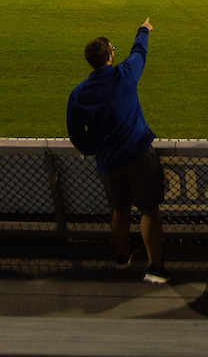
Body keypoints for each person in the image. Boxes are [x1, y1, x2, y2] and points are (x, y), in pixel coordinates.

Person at [66, 18, 169, 284]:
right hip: (138, 155)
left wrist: (96, 149)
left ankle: (122, 256)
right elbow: (139, 52)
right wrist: (143, 29)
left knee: (119, 209)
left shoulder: (78, 94)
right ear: (111, 55)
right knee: (149, 210)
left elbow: (77, 135)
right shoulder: (124, 74)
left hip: (109, 163)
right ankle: (156, 267)